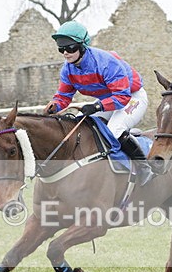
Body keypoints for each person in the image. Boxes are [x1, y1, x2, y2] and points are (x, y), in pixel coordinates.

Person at [42, 20, 150, 179]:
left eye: (70, 47)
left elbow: (122, 96)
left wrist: (97, 107)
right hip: (109, 101)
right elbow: (64, 96)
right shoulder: (67, 69)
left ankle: (144, 168)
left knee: (114, 129)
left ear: (82, 45)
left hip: (132, 97)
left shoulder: (106, 63)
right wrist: (55, 106)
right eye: (61, 48)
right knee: (83, 127)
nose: (65, 52)